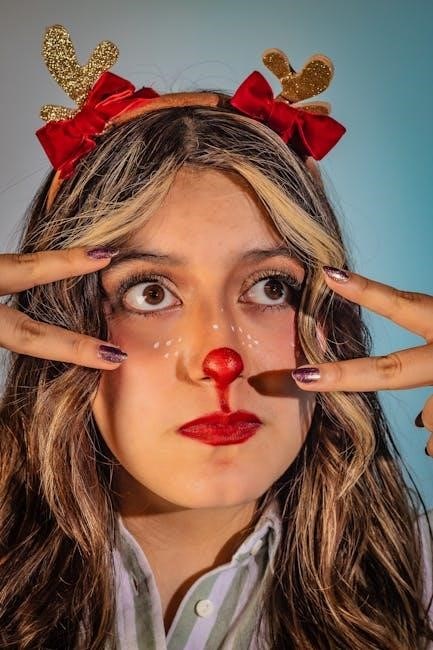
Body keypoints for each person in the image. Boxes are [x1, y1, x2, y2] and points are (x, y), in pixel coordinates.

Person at [0, 24, 432, 649]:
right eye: (150, 293)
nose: (219, 360)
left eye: (271, 287)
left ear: (328, 321)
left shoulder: (419, 582)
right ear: (59, 320)